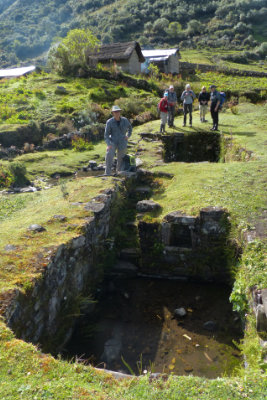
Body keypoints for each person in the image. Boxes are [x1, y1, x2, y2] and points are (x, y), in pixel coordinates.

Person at [104, 105, 132, 175]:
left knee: (121, 158)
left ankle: (118, 173)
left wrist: (128, 136)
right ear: (113, 113)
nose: (117, 113)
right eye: (115, 112)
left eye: (118, 111)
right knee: (109, 155)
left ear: (120, 112)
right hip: (113, 141)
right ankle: (107, 173)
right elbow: (106, 135)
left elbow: (130, 128)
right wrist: (108, 144)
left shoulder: (125, 120)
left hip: (122, 142)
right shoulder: (109, 122)